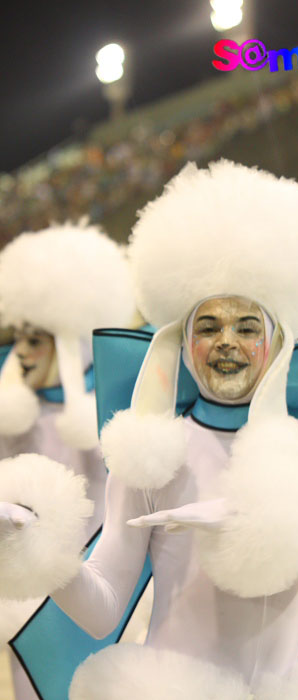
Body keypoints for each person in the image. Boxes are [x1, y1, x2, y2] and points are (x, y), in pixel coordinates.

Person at [0, 161, 298, 699]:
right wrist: (39, 545)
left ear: (276, 342)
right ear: (182, 343)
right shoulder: (151, 449)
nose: (227, 341)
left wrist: (261, 522)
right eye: (208, 326)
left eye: (247, 326)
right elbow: (104, 605)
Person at [0, 223, 135, 700]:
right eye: (17, 337)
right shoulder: (11, 411)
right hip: (26, 596)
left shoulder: (111, 409)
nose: (21, 351)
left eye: (34, 338)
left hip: (95, 588)